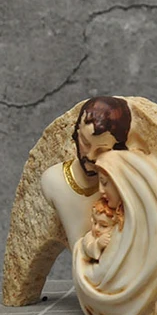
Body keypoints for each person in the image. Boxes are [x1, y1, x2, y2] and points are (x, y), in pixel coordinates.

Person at [72, 149, 157, 315]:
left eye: (105, 183)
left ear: (123, 183)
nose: (100, 190)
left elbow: (107, 272)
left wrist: (80, 258)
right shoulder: (117, 220)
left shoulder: (141, 229)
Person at [41, 96, 132, 248]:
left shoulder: (121, 187)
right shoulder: (53, 180)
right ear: (76, 133)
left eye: (102, 150)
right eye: (85, 142)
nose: (90, 156)